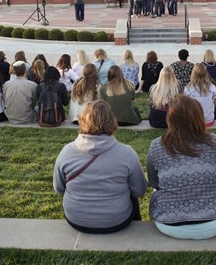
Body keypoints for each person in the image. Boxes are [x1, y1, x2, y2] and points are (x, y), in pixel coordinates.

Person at [53, 100, 147, 234]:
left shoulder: (67, 152)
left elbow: (59, 188)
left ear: (82, 120)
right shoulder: (126, 153)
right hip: (116, 220)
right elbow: (139, 191)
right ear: (112, 121)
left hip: (77, 219)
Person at [147, 95, 216, 239]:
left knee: (155, 192)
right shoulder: (213, 142)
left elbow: (154, 183)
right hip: (214, 223)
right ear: (198, 117)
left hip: (168, 224)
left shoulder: (157, 145)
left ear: (170, 119)